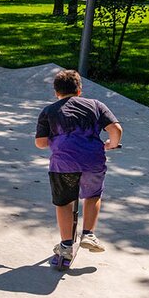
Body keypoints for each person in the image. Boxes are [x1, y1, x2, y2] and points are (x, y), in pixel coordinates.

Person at [35, 69, 123, 266]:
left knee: (64, 202)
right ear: (79, 90)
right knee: (92, 195)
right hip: (93, 161)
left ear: (56, 92)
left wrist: (58, 141)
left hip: (63, 164)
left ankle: (66, 245)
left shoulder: (49, 111)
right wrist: (112, 144)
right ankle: (88, 234)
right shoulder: (96, 105)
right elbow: (116, 129)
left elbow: (40, 143)